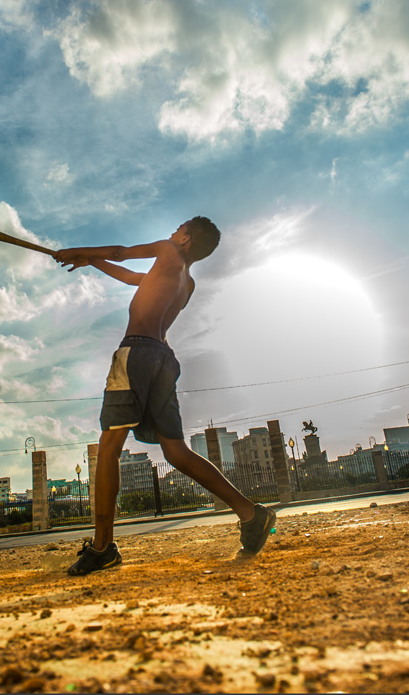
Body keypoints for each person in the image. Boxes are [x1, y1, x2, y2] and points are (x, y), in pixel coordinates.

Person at [54, 217, 277, 576]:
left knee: (109, 445)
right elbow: (131, 278)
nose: (173, 232)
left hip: (137, 354)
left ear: (186, 239)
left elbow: (121, 253)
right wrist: (89, 261)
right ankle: (252, 514)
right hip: (164, 358)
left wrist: (77, 251)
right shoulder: (186, 283)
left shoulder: (167, 250)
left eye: (179, 229)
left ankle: (102, 548)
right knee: (176, 451)